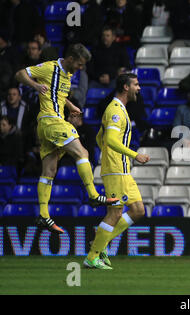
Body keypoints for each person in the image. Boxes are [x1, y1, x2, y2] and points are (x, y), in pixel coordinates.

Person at [14, 43, 119, 235]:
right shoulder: (50, 67)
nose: (81, 68)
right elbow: (20, 74)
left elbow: (58, 95)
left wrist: (69, 105)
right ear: (70, 59)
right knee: (83, 152)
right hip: (51, 121)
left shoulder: (68, 74)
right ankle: (93, 195)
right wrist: (36, 84)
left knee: (49, 170)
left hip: (47, 124)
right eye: (79, 64)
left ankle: (43, 215)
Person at [84, 73, 150, 270]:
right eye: (136, 85)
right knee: (115, 212)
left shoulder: (118, 109)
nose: (139, 88)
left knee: (138, 210)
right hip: (115, 169)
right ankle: (93, 256)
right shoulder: (115, 111)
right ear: (126, 87)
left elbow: (100, 138)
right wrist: (134, 154)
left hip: (122, 169)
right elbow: (111, 140)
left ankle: (100, 243)